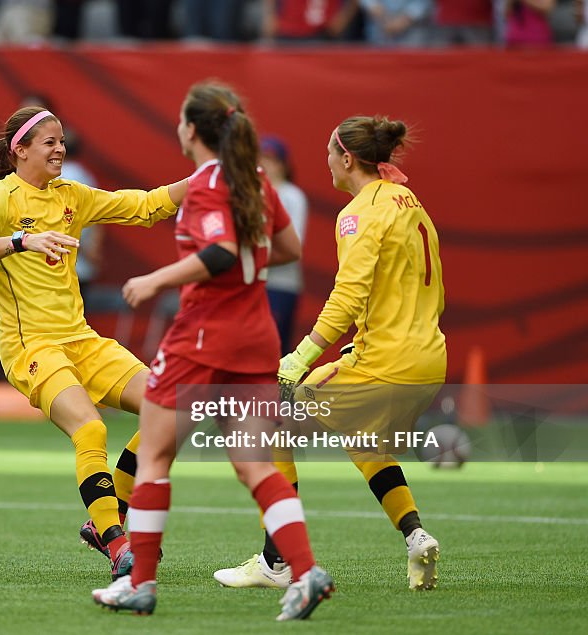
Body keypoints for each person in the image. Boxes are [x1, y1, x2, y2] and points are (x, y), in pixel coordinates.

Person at [89, 82, 333, 621]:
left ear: (193, 130)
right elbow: (289, 249)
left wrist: (157, 279)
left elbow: (221, 252)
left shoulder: (206, 185)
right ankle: (306, 569)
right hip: (257, 336)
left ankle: (141, 583)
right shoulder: (257, 180)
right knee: (253, 464)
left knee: (153, 457)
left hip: (203, 336)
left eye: (181, 121)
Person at [0, 106, 189, 581]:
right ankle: (116, 540)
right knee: (91, 430)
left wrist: (208, 178)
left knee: (173, 410)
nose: (60, 149)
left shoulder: (71, 196)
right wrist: (22, 241)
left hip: (81, 340)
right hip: (32, 348)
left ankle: (104, 516)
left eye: (62, 141)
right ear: (20, 150)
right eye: (49, 142)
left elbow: (146, 206)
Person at [213, 115, 445, 592]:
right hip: (429, 359)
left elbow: (347, 298)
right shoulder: (412, 202)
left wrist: (298, 358)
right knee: (365, 443)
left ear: (347, 158)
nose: (324, 162)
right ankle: (415, 535)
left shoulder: (359, 213)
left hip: (386, 362)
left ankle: (275, 561)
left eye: (328, 152)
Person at [259, 136, 308, 356]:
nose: (266, 164)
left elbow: (294, 246)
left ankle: (281, 392)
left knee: (276, 348)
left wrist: (249, 257)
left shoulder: (292, 196)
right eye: (262, 158)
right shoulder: (249, 192)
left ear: (283, 164)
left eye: (272, 160)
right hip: (250, 282)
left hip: (281, 284)